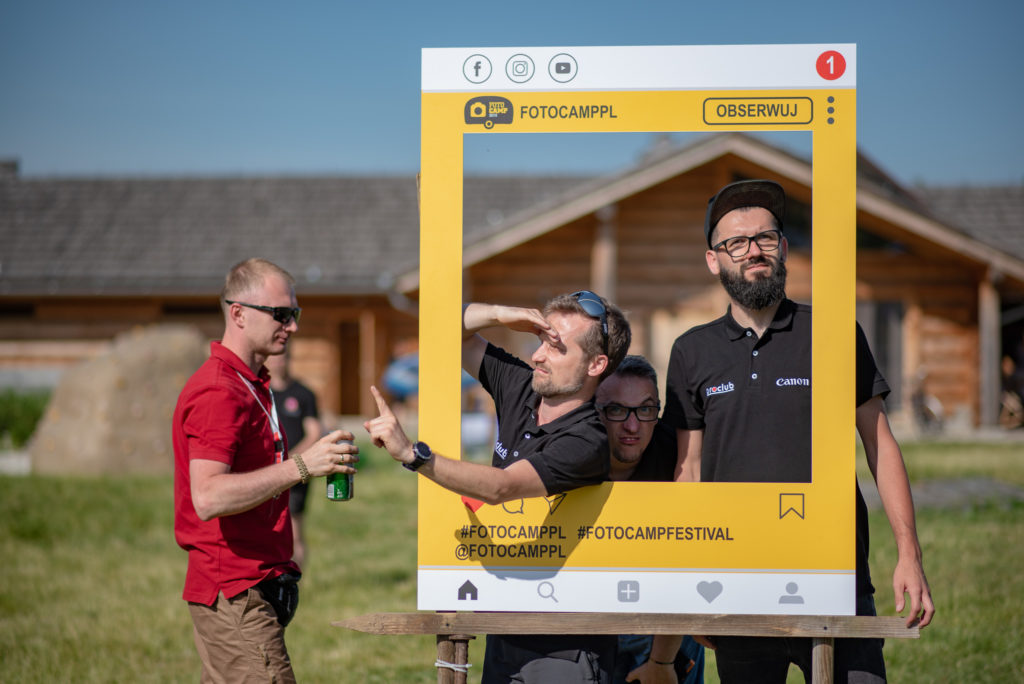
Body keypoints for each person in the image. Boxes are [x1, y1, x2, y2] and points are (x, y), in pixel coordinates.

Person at [653, 180, 935, 683]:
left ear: (782, 248)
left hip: (836, 572)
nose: (753, 250)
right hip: (737, 580)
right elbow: (688, 470)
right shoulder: (691, 351)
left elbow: (880, 444)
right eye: (735, 243)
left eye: (764, 237)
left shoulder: (833, 333)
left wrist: (909, 555)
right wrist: (692, 582)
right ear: (713, 261)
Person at [365, 291, 631, 684]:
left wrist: (413, 455)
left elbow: (501, 488)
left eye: (555, 347)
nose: (538, 355)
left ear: (596, 364)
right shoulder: (523, 386)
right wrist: (501, 314)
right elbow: (441, 327)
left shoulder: (587, 440)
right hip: (503, 626)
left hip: (564, 646)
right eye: (540, 341)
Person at [172, 258, 359, 683]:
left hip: (251, 585)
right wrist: (301, 466)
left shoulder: (250, 383)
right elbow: (208, 497)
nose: (292, 326)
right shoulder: (219, 390)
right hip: (235, 589)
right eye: (280, 314)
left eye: (295, 313)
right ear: (238, 313)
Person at [595, 355, 704, 684]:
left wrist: (662, 658)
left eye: (645, 410)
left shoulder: (678, 457)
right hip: (592, 622)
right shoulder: (573, 455)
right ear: (594, 411)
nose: (633, 426)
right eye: (617, 410)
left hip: (667, 625)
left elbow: (690, 557)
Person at [265, 349, 325, 568]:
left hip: (297, 470)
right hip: (265, 472)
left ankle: (296, 577)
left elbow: (314, 433)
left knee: (294, 529)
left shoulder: (304, 393)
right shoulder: (263, 393)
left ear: (289, 359)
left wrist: (290, 462)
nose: (278, 362)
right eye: (274, 358)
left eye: (282, 358)